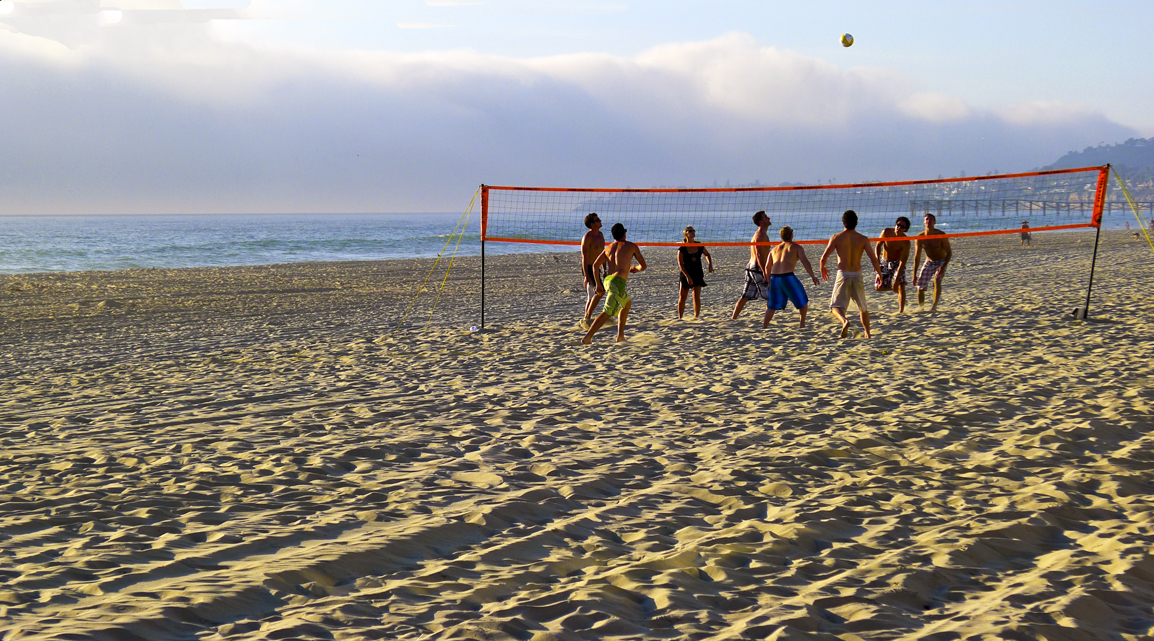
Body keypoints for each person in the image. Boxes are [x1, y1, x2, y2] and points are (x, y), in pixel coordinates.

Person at [819, 209, 881, 338]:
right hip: (857, 274)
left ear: (843, 222)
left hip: (843, 273)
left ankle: (844, 321)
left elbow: (823, 258)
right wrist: (880, 273)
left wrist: (822, 268)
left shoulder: (837, 237)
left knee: (835, 306)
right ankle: (868, 334)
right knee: (862, 308)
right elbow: (873, 259)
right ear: (856, 223)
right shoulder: (863, 239)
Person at [582, 223, 647, 344]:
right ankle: (588, 337)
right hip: (618, 282)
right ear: (624, 234)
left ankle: (620, 336)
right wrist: (635, 268)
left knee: (626, 305)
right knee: (608, 311)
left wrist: (599, 284)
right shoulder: (631, 246)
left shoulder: (609, 248)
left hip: (608, 280)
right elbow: (643, 266)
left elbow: (595, 265)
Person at [764, 226, 820, 329]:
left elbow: (767, 266)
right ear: (791, 235)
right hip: (787, 277)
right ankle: (802, 325)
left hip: (775, 278)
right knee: (803, 302)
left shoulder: (774, 249)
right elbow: (805, 262)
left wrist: (768, 282)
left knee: (772, 305)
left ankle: (764, 327)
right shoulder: (796, 247)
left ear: (781, 236)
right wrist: (812, 276)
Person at [731, 210, 772, 319]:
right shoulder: (760, 235)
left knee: (745, 296)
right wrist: (765, 272)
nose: (769, 218)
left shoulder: (761, 234)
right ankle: (767, 321)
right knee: (771, 295)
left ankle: (733, 318)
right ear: (761, 222)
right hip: (757, 267)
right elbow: (759, 255)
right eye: (765, 217)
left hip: (751, 267)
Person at [913, 213, 953, 312]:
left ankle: (934, 307)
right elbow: (917, 257)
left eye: (931, 219)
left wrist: (943, 267)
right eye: (926, 219)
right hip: (929, 261)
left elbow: (949, 253)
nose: (928, 221)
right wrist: (914, 274)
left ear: (934, 222)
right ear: (923, 222)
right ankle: (921, 308)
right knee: (920, 286)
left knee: (937, 281)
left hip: (941, 261)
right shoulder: (920, 237)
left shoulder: (941, 235)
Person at [875, 216, 912, 313]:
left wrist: (896, 281)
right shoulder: (886, 232)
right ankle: (893, 287)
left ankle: (901, 311)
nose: (899, 227)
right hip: (885, 261)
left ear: (906, 229)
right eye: (898, 225)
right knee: (878, 287)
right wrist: (877, 260)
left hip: (897, 262)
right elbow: (878, 246)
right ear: (895, 225)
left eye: (902, 227)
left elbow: (903, 262)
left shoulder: (906, 242)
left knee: (901, 284)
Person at [677, 226, 713, 319]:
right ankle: (680, 318)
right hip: (686, 273)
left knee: (696, 296)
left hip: (697, 272)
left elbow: (707, 254)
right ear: (686, 234)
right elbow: (680, 264)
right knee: (682, 297)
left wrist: (710, 265)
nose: (693, 232)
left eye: (693, 230)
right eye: (690, 231)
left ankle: (696, 317)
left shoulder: (699, 245)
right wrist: (687, 276)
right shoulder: (682, 248)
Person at [580, 213, 607, 327]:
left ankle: (586, 317)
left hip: (598, 267)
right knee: (600, 291)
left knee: (591, 296)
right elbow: (584, 257)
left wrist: (605, 268)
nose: (600, 221)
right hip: (590, 267)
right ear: (592, 224)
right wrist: (586, 275)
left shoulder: (600, 235)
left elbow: (603, 253)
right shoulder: (588, 237)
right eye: (598, 220)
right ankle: (587, 317)